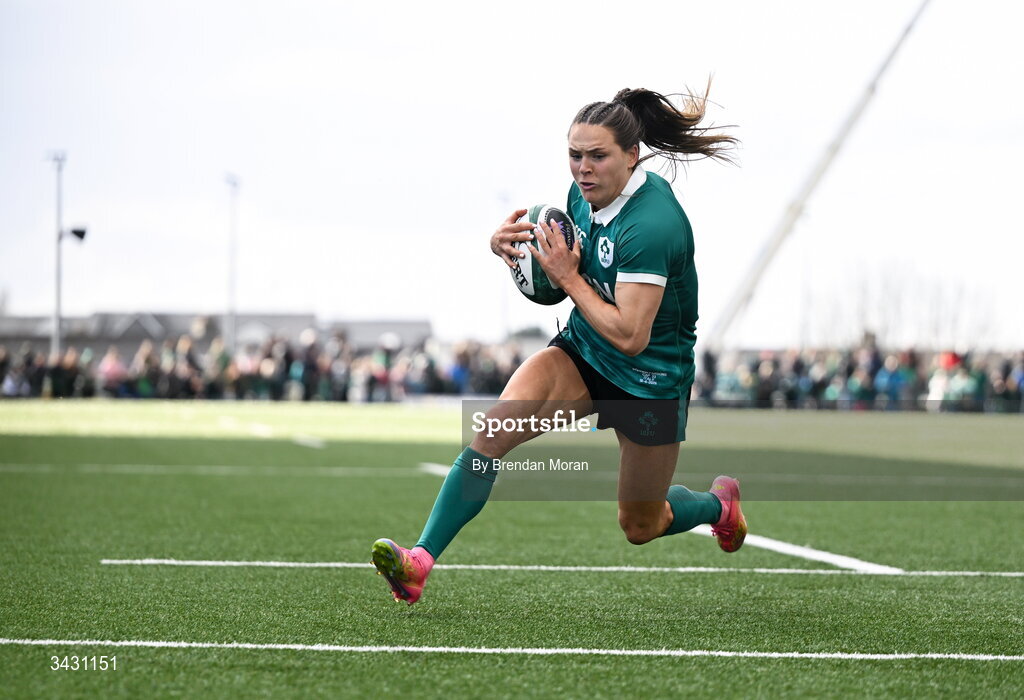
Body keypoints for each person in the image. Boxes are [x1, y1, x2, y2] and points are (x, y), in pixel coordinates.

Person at [372, 86, 743, 605]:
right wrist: (512, 252)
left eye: (598, 156)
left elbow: (632, 337)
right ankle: (419, 562)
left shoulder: (652, 225)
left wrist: (567, 278)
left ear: (632, 156)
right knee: (493, 431)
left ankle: (718, 507)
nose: (583, 169)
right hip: (584, 351)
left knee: (641, 523)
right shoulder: (578, 200)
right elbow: (560, 285)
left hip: (651, 379)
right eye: (575, 155)